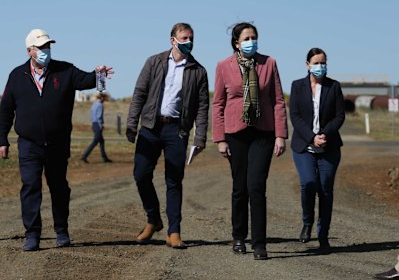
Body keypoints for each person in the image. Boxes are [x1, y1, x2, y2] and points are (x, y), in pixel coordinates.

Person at [0, 29, 113, 251]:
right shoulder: (16, 76)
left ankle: (62, 230)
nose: (45, 51)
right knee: (30, 186)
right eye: (40, 48)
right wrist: (1, 140)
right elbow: (5, 111)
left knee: (59, 187)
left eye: (48, 46)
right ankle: (32, 234)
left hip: (58, 143)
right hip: (29, 144)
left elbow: (86, 80)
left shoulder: (64, 70)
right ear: (29, 50)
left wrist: (99, 75)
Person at [126, 22, 209, 249]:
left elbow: (202, 107)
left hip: (177, 130)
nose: (188, 42)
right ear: (173, 40)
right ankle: (153, 219)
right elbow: (140, 93)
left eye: (191, 38)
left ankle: (174, 231)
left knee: (174, 181)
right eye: (184, 38)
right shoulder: (154, 62)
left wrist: (199, 138)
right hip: (151, 127)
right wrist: (132, 123)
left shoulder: (198, 71)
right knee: (141, 174)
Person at [212, 22, 288, 260]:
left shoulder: (269, 64)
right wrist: (220, 139)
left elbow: (278, 101)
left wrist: (280, 135)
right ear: (236, 42)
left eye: (253, 37)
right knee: (240, 187)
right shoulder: (224, 66)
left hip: (263, 133)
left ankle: (259, 243)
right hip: (235, 133)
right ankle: (238, 236)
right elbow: (218, 104)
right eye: (246, 38)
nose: (251, 41)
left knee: (256, 186)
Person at [289, 48, 345, 250]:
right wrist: (312, 137)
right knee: (308, 183)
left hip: (329, 146)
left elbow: (340, 116)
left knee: (325, 190)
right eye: (316, 62)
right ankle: (307, 222)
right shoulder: (297, 86)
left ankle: (323, 234)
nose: (320, 66)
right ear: (307, 64)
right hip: (303, 145)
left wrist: (324, 135)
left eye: (323, 62)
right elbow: (295, 115)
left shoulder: (334, 87)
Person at [81, 92, 112, 163]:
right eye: (104, 98)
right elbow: (99, 116)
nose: (105, 100)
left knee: (102, 141)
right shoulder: (100, 105)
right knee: (95, 141)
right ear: (102, 98)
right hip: (98, 124)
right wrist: (101, 125)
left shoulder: (94, 104)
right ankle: (84, 156)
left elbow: (92, 115)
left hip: (94, 124)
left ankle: (104, 158)